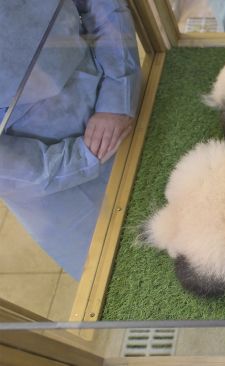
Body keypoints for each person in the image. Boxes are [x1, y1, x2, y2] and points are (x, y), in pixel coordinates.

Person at [0, 0, 141, 280]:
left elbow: (101, 5)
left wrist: (118, 94)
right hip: (50, 189)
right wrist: (78, 159)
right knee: (124, 274)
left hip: (106, 85)